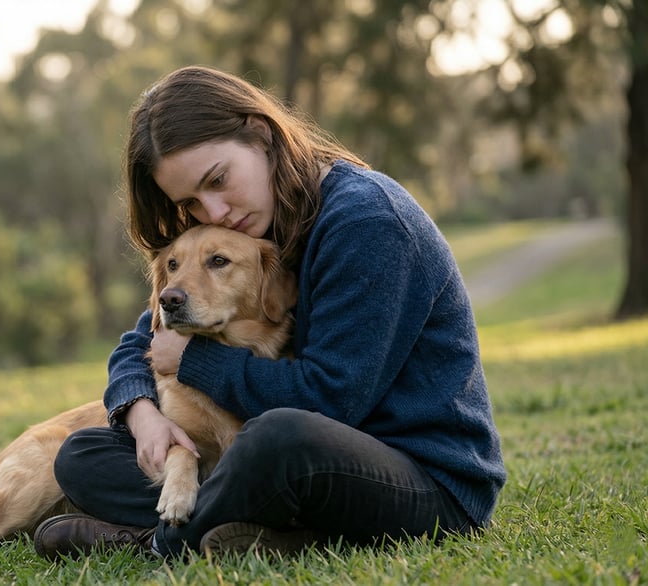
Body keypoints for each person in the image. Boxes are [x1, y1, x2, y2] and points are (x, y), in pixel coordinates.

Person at [34, 65, 506, 559]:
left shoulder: (367, 222)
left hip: (424, 482)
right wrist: (142, 414)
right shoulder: (254, 225)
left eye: (218, 180)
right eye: (191, 202)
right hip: (293, 464)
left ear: (260, 133)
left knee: (278, 436)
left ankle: (157, 542)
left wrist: (194, 361)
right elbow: (147, 338)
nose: (214, 211)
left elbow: (330, 399)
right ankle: (262, 530)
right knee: (82, 453)